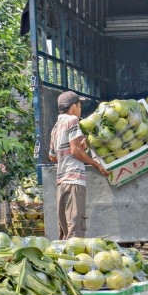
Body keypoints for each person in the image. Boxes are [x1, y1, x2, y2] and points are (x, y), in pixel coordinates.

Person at [49, 91, 109, 239]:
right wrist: (96, 164)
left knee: (64, 231)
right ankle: (75, 262)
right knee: (75, 229)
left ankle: (64, 261)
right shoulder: (73, 121)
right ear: (74, 106)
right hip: (74, 182)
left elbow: (52, 157)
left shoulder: (56, 127)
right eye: (80, 105)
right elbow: (75, 151)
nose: (80, 108)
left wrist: (78, 149)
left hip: (62, 183)